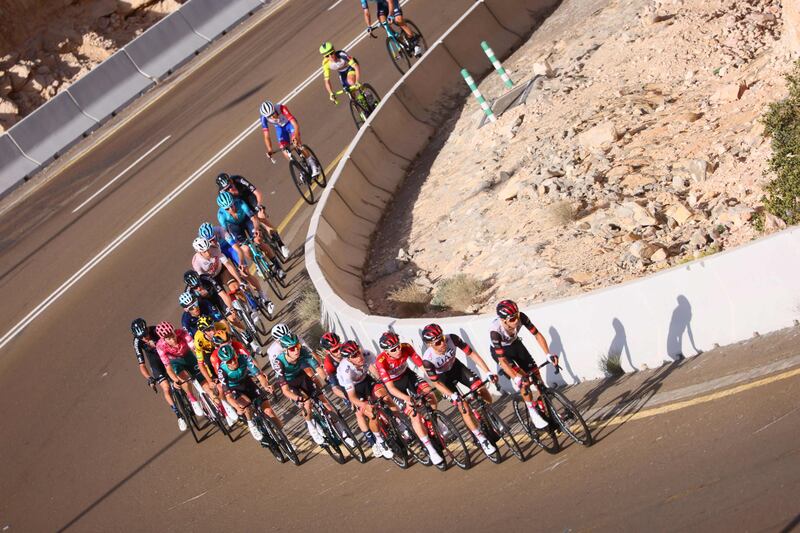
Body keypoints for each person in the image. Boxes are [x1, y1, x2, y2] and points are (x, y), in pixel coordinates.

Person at [419, 323, 497, 456]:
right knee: (463, 406)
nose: (443, 343)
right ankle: (481, 439)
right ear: (430, 345)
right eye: (438, 342)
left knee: (480, 388)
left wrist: (487, 371)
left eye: (442, 338)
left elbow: (472, 354)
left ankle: (489, 414)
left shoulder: (452, 339)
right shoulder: (428, 361)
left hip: (457, 369)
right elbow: (436, 383)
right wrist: (452, 395)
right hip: (443, 380)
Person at [375, 331, 444, 465]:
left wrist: (436, 380)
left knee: (430, 394)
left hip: (408, 376)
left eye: (398, 346)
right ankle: (431, 450)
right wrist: (407, 399)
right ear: (386, 351)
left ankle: (433, 420)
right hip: (395, 387)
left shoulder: (406, 347)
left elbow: (422, 366)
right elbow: (390, 388)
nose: (398, 350)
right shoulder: (381, 362)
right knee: (414, 414)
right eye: (394, 349)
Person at [489, 299, 559, 429]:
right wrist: (516, 378)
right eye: (512, 319)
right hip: (502, 353)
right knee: (524, 382)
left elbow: (537, 334)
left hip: (516, 344)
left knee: (537, 377)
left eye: (517, 316)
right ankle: (533, 412)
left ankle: (550, 411)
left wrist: (548, 354)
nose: (516, 320)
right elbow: (503, 361)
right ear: (503, 320)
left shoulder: (521, 317)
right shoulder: (495, 332)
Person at [336, 340, 394, 459]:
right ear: (348, 359)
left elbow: (376, 371)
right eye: (354, 356)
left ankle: (401, 424)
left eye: (358, 352)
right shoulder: (345, 370)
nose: (359, 357)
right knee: (370, 413)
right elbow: (352, 397)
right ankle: (379, 441)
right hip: (352, 389)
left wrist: (385, 384)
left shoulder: (367, 354)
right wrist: (365, 405)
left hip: (365, 379)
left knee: (386, 397)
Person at [213, 174, 291, 259]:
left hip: (249, 199)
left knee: (261, 218)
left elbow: (257, 193)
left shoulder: (239, 180)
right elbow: (226, 209)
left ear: (231, 181)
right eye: (227, 189)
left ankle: (281, 244)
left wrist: (259, 206)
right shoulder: (222, 193)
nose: (230, 189)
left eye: (230, 186)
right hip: (239, 206)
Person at [216, 191, 286, 283]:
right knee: (245, 249)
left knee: (258, 240)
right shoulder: (221, 215)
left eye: (232, 205)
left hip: (247, 220)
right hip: (235, 227)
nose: (231, 209)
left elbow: (254, 219)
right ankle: (257, 263)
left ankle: (277, 266)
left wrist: (257, 229)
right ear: (223, 209)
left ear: (233, 201)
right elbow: (226, 232)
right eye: (227, 208)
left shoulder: (240, 203)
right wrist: (234, 243)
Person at [216, 343, 281, 442]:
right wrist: (237, 407)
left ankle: (284, 438)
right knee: (247, 406)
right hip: (235, 390)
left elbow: (259, 376)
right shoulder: (222, 371)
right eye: (229, 361)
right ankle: (251, 423)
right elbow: (228, 396)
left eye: (234, 358)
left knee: (269, 411)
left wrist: (266, 386)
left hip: (248, 383)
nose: (233, 362)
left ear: (236, 354)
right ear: (225, 362)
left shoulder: (244, 358)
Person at [131, 318, 186, 432]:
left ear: (147, 329)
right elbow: (141, 364)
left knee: (181, 376)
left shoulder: (156, 330)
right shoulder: (137, 342)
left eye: (145, 334)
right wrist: (149, 378)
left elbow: (171, 341)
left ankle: (192, 398)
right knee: (166, 389)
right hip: (156, 363)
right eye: (141, 336)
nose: (144, 338)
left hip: (167, 356)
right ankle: (179, 416)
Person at [273, 333, 327, 445]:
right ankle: (312, 427)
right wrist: (297, 398)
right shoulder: (279, 362)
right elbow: (285, 390)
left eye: (297, 346)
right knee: (306, 403)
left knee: (323, 399)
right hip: (289, 384)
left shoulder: (303, 351)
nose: (296, 350)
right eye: (292, 349)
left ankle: (341, 430)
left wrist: (327, 380)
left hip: (301, 377)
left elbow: (318, 368)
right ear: (285, 350)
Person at [154, 321, 207, 417]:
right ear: (163, 339)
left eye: (172, 335)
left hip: (187, 355)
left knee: (202, 378)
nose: (172, 339)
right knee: (184, 380)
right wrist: (175, 380)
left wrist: (202, 361)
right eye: (168, 338)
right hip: (175, 361)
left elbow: (194, 348)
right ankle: (191, 398)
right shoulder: (160, 346)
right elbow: (168, 368)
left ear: (174, 331)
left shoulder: (182, 333)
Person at [259, 101, 322, 178]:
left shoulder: (281, 108)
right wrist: (269, 149)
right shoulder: (263, 118)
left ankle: (312, 163)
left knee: (297, 143)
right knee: (284, 150)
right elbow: (266, 136)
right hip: (280, 129)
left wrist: (295, 136)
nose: (272, 117)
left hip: (290, 124)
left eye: (272, 114)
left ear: (274, 109)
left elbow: (295, 124)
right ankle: (301, 171)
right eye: (269, 117)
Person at [191, 235, 247, 311]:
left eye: (208, 249)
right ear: (198, 252)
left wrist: (240, 281)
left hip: (221, 271)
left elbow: (228, 265)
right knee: (224, 299)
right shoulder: (196, 262)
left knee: (235, 288)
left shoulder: (215, 248)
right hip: (210, 279)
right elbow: (202, 279)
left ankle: (248, 310)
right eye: (204, 252)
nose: (208, 253)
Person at [319, 331, 350, 407]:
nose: (339, 352)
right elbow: (335, 388)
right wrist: (347, 397)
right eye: (335, 350)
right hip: (344, 386)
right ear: (327, 351)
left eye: (340, 347)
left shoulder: (348, 348)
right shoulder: (328, 363)